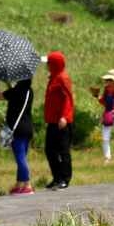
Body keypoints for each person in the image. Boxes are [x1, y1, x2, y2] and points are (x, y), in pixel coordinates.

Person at [41, 51, 75, 190]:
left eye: (49, 63)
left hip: (62, 122)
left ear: (54, 64)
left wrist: (65, 117)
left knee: (63, 151)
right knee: (50, 150)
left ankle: (65, 178)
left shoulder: (63, 78)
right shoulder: (53, 78)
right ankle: (56, 177)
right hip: (52, 121)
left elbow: (68, 99)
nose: (47, 65)